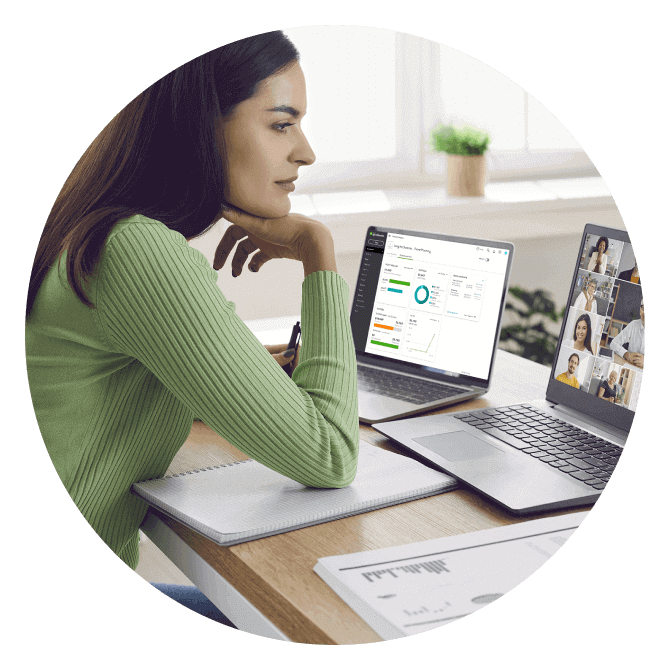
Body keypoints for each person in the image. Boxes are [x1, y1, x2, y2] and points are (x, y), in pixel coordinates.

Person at [25, 33, 359, 628]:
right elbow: (329, 454)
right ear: (204, 126)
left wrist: (249, 372)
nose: (305, 152)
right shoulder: (136, 248)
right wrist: (318, 253)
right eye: (282, 124)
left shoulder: (92, 219)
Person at [610, 298, 645, 368]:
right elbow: (613, 344)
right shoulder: (634, 324)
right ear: (640, 310)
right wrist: (626, 354)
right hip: (629, 366)